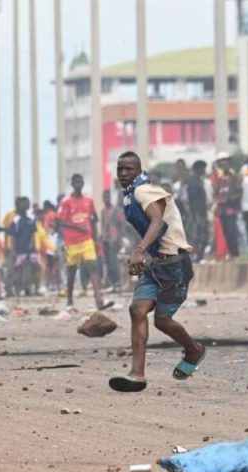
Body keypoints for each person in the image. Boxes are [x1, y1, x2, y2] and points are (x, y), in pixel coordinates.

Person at [109, 151, 204, 393]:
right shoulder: (130, 196)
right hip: (155, 264)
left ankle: (194, 350)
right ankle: (137, 374)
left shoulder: (143, 191)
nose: (122, 173)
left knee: (162, 321)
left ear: (138, 170)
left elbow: (158, 222)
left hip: (174, 264)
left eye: (128, 169)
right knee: (137, 310)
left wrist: (139, 250)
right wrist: (142, 255)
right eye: (119, 169)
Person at [58, 174, 110, 311]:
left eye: (80, 181)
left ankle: (99, 299)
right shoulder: (66, 202)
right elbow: (61, 221)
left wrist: (95, 237)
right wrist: (77, 227)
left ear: (83, 183)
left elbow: (94, 219)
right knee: (71, 271)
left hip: (86, 240)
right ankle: (69, 300)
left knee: (93, 267)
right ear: (72, 184)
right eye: (75, 181)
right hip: (71, 242)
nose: (78, 183)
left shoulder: (88, 200)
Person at [7, 197, 39, 296]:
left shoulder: (32, 219)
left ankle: (31, 289)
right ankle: (18, 289)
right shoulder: (16, 220)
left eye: (26, 203)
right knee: (19, 270)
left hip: (31, 250)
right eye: (22, 204)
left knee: (33, 269)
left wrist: (34, 246)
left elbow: (34, 233)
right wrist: (13, 249)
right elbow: (13, 236)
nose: (24, 206)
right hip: (19, 250)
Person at [212, 153, 241, 258]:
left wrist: (231, 199)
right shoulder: (218, 177)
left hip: (231, 208)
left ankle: (235, 252)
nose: (224, 163)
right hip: (221, 208)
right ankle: (230, 252)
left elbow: (239, 191)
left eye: (226, 161)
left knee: (231, 230)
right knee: (225, 232)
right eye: (222, 161)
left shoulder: (235, 176)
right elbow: (216, 192)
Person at [99, 189, 125, 292]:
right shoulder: (102, 211)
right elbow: (102, 225)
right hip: (106, 239)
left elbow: (121, 224)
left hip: (114, 239)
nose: (106, 199)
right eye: (104, 197)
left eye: (108, 197)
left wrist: (119, 238)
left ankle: (117, 283)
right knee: (108, 262)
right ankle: (113, 284)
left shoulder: (116, 210)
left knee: (114, 262)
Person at [186, 161, 211, 262]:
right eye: (203, 168)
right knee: (199, 236)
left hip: (202, 213)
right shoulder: (194, 183)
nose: (204, 170)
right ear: (198, 169)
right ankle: (196, 256)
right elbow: (195, 201)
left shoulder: (198, 181)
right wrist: (197, 216)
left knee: (203, 236)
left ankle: (199, 256)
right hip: (198, 214)